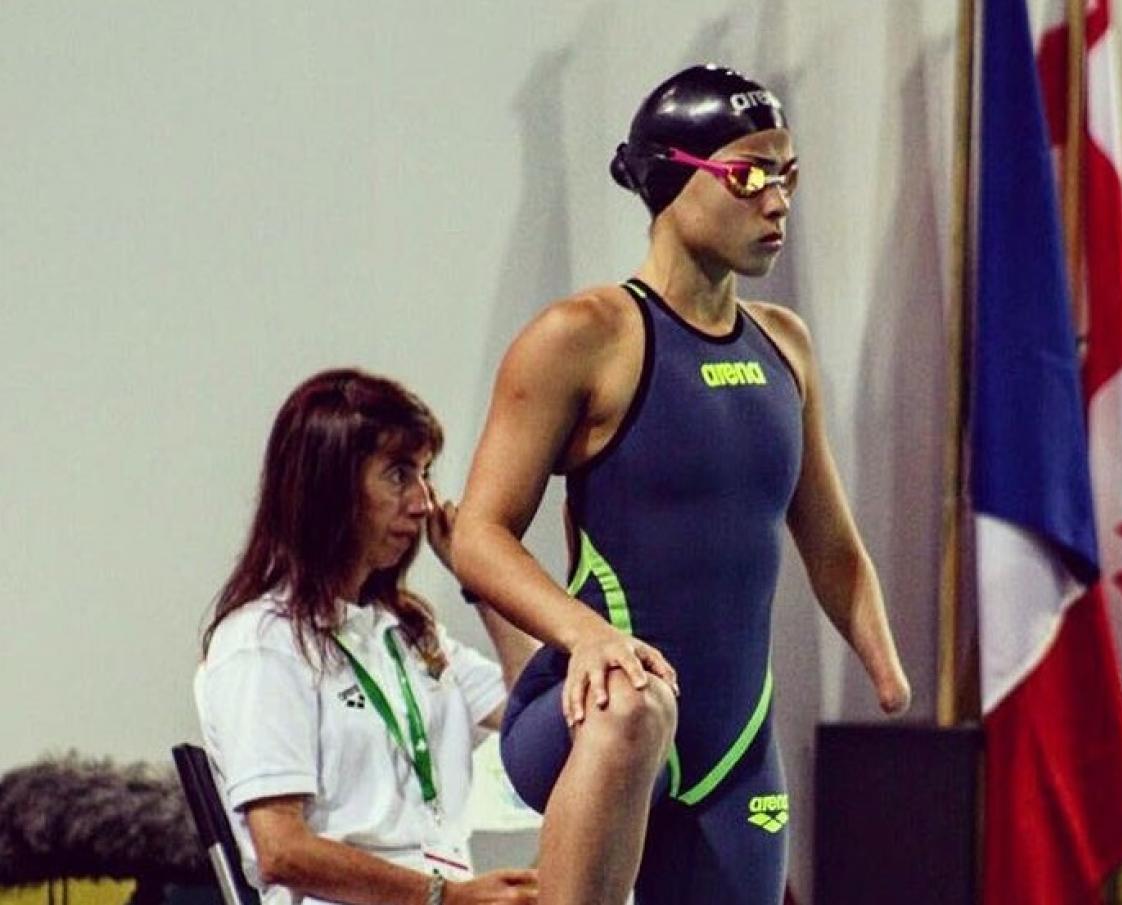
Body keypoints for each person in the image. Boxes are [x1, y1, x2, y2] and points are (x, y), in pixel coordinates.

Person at [452, 64, 911, 905]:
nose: (777, 201)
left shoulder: (786, 347)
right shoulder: (582, 338)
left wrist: (883, 662)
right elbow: (477, 533)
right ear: (670, 178)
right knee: (637, 707)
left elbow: (833, 545)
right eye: (748, 175)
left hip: (735, 751)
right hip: (587, 713)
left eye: (788, 174)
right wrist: (586, 636)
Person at [194, 368, 539, 905]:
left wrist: (481, 579)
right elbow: (282, 851)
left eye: (425, 474)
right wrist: (446, 898)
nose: (424, 502)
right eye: (399, 475)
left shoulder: (408, 634)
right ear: (328, 487)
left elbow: (542, 715)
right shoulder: (261, 642)